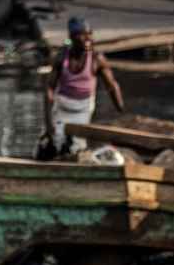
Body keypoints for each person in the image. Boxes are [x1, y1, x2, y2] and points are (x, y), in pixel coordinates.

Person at [43, 17, 125, 159]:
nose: (88, 38)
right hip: (62, 107)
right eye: (83, 34)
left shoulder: (96, 58)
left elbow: (112, 85)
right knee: (53, 146)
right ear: (72, 38)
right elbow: (49, 89)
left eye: (90, 34)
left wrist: (121, 109)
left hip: (84, 108)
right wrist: (48, 123)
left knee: (76, 147)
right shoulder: (62, 57)